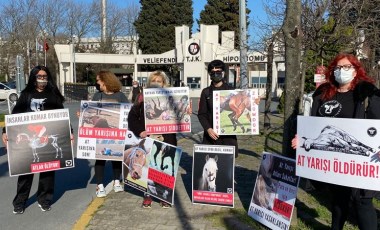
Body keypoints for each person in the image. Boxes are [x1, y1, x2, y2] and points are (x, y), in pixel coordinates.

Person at [291, 53, 379, 230]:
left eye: (347, 67)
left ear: (356, 71)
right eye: (338, 67)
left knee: (362, 202)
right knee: (339, 200)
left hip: (361, 163)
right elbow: (312, 123)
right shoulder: (323, 94)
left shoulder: (367, 93)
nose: (342, 71)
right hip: (334, 164)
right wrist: (301, 139)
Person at [2, 65, 71, 214]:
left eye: (44, 76)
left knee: (48, 172)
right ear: (34, 78)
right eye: (39, 76)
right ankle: (20, 202)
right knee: (25, 173)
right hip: (30, 134)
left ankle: (45, 200)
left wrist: (69, 131)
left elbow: (62, 117)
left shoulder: (53, 95)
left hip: (45, 133)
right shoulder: (26, 94)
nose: (42, 79)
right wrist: (5, 131)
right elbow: (15, 115)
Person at [127, 70, 176, 208]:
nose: (156, 83)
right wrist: (140, 131)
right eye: (153, 81)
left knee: (164, 166)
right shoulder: (142, 97)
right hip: (149, 137)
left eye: (159, 81)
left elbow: (179, 116)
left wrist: (186, 113)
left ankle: (163, 195)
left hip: (167, 137)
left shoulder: (172, 97)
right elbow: (132, 117)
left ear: (164, 83)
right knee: (149, 166)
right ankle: (148, 194)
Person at [92, 70, 128, 198]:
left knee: (116, 157)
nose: (97, 83)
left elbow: (128, 112)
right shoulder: (97, 96)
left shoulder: (120, 96)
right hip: (101, 132)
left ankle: (117, 181)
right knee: (100, 158)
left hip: (116, 132)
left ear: (105, 81)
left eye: (98, 80)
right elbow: (91, 113)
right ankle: (100, 185)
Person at [197, 60, 239, 156]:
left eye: (218, 71)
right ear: (209, 74)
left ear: (223, 73)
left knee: (226, 167)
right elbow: (201, 114)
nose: (215, 74)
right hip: (211, 137)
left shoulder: (232, 91)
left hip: (228, 137)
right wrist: (208, 129)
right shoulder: (206, 92)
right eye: (212, 72)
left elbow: (242, 106)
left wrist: (254, 101)